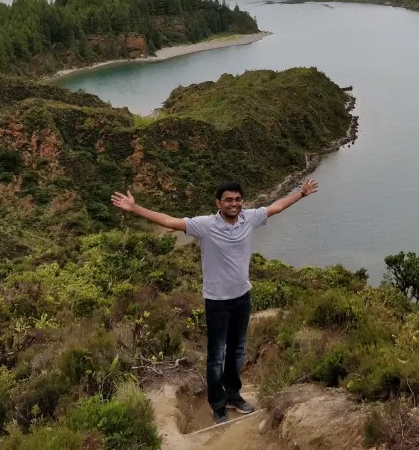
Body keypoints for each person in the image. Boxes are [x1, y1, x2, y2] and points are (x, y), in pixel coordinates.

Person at [111, 178, 319, 424]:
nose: (234, 204)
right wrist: (135, 208)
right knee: (216, 356)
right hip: (217, 302)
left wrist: (301, 194)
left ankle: (233, 395)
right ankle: (217, 404)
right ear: (218, 203)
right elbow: (168, 220)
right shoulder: (205, 225)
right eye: (229, 200)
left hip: (242, 297)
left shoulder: (249, 218)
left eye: (238, 199)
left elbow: (277, 207)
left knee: (237, 351)